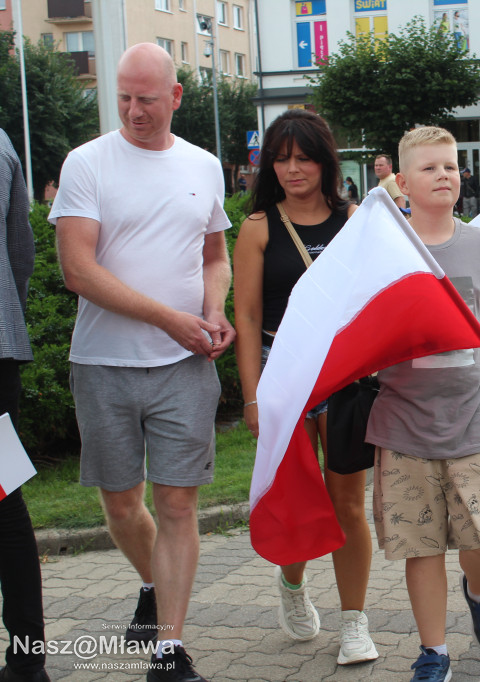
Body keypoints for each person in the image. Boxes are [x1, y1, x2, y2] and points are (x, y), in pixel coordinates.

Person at [49, 43, 234, 682]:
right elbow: (78, 270)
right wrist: (170, 319)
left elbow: (215, 253)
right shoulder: (87, 163)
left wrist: (212, 310)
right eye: (123, 98)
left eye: (147, 100)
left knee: (178, 505)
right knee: (123, 506)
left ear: (175, 96)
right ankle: (154, 585)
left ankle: (168, 650)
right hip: (104, 362)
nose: (133, 111)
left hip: (185, 366)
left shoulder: (204, 165)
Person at [365, 126, 480, 682]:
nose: (444, 175)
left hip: (475, 424)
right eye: (430, 167)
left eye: (450, 165)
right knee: (420, 545)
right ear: (401, 181)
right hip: (403, 425)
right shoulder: (384, 248)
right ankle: (434, 651)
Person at [232, 109, 378, 666]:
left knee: (347, 503)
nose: (293, 168)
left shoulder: (353, 219)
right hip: (282, 375)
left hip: (343, 376)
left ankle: (355, 624)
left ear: (324, 160)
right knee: (296, 497)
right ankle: (292, 586)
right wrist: (252, 396)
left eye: (304, 157)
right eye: (283, 157)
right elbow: (245, 318)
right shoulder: (258, 227)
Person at [1, 128, 49, 682]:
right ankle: (27, 658)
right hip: (1, 351)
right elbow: (21, 252)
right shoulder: (2, 145)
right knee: (5, 500)